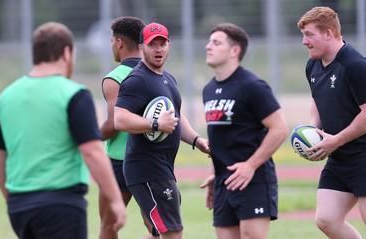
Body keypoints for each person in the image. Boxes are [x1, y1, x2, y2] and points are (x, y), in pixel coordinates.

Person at [0, 22, 126, 239]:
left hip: (19, 205)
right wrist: (116, 200)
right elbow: (92, 151)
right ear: (66, 53)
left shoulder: (6, 96)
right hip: (60, 203)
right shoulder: (74, 94)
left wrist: (11, 198)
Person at [113, 22, 210, 239]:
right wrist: (154, 124)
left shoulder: (167, 79)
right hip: (147, 170)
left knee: (160, 232)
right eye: (152, 44)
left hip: (162, 168)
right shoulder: (137, 80)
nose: (158, 49)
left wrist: (196, 140)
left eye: (162, 44)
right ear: (141, 48)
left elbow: (175, 117)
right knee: (173, 232)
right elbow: (119, 119)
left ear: (169, 46)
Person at [199, 23, 289, 239]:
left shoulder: (252, 85)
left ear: (234, 51)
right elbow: (219, 137)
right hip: (223, 182)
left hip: (253, 180)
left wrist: (250, 166)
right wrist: (215, 172)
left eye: (216, 42)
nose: (208, 46)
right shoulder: (208, 90)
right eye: (210, 41)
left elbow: (280, 129)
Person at [297, 6, 366, 239]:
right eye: (303, 35)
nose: (304, 42)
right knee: (327, 219)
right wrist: (314, 130)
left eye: (309, 35)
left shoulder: (355, 65)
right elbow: (317, 99)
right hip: (339, 158)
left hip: (363, 154)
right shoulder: (313, 65)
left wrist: (335, 140)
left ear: (328, 33)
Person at [98, 16, 158, 239]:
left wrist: (90, 138)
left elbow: (114, 123)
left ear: (120, 42)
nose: (112, 45)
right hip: (150, 159)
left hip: (118, 160)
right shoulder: (156, 74)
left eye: (112, 40)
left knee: (109, 226)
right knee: (158, 228)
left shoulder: (114, 78)